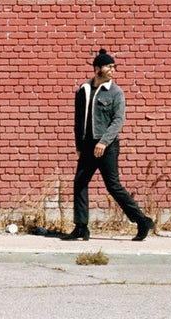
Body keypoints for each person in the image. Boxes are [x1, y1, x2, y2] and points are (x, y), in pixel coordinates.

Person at [61, 48, 155, 241]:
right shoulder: (84, 90)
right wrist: (79, 145)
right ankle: (81, 227)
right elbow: (78, 120)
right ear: (97, 68)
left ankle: (141, 220)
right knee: (79, 183)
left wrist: (104, 142)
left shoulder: (115, 93)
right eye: (109, 66)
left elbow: (118, 120)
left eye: (114, 66)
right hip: (87, 146)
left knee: (113, 186)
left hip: (107, 146)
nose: (112, 70)